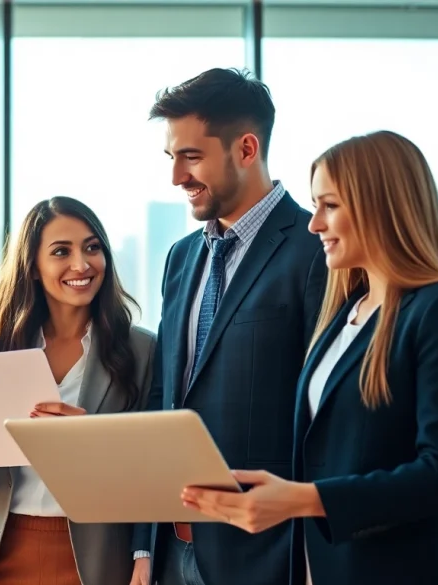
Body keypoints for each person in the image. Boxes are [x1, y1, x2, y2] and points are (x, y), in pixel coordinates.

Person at [182, 130, 438, 585]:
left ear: (380, 207)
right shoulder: (347, 312)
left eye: (329, 205)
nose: (314, 224)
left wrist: (304, 499)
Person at [136, 67, 327, 585]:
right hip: (171, 550)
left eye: (191, 157)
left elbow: (323, 422)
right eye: (172, 158)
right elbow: (164, 400)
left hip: (264, 556)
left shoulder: (316, 255)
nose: (177, 177)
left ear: (246, 149)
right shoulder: (180, 258)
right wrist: (142, 549)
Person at [0, 196, 156, 585]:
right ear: (34, 268)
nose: (82, 264)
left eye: (92, 248)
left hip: (97, 560)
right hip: (1, 555)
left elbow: (152, 470)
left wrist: (94, 443)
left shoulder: (142, 350)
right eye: (62, 251)